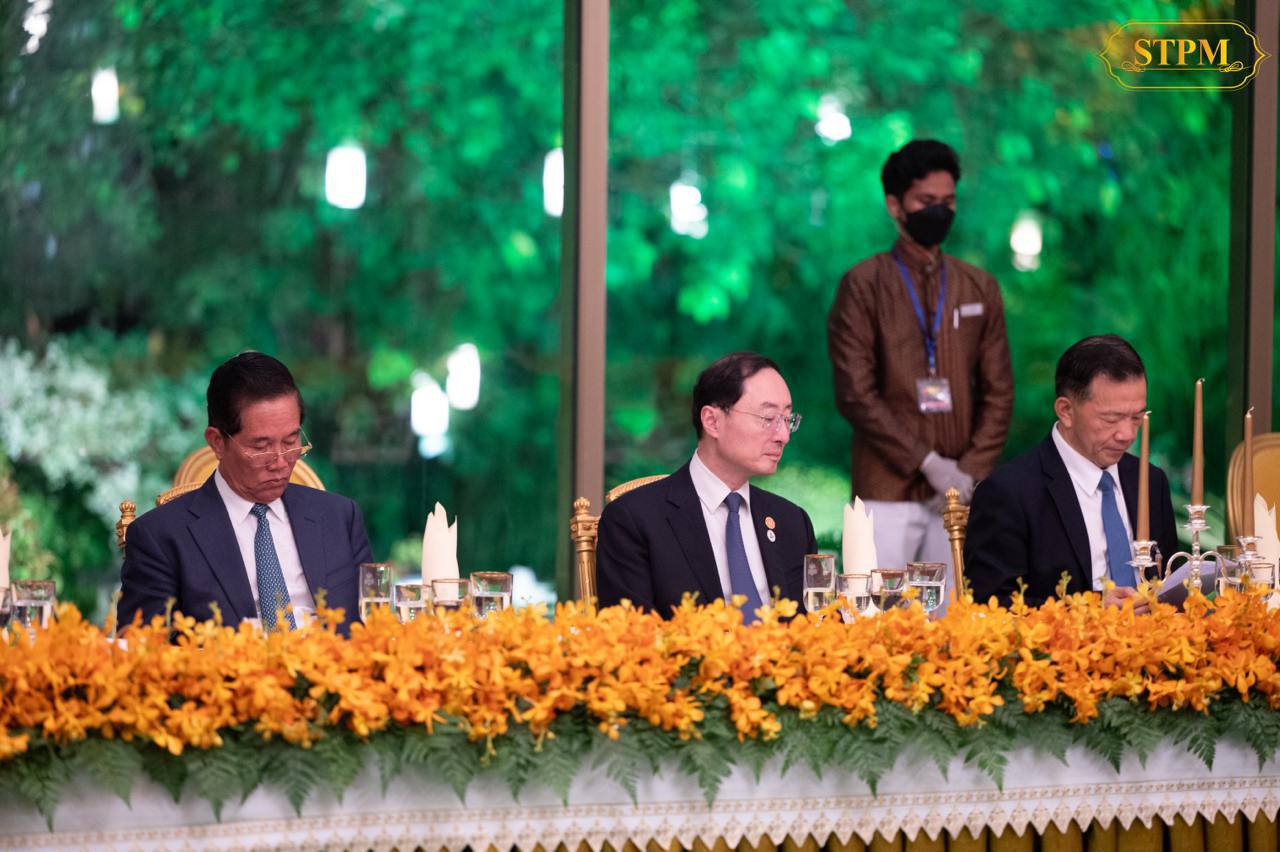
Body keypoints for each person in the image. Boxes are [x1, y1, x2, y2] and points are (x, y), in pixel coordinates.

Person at [827, 139, 1013, 576]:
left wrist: (967, 473)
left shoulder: (978, 286)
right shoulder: (863, 284)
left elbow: (1000, 392)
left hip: (961, 492)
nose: (940, 211)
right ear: (895, 205)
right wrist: (927, 463)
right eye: (926, 202)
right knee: (878, 610)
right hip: (885, 492)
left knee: (952, 614)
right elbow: (855, 394)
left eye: (948, 202)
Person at [118, 352, 372, 633]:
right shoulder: (160, 537)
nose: (280, 463)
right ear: (217, 442)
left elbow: (372, 626)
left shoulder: (339, 518)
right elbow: (141, 649)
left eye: (291, 441)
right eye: (261, 448)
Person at [596, 352, 817, 620]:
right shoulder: (634, 520)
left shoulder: (792, 523)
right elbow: (630, 636)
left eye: (788, 419)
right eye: (768, 418)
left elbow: (815, 626)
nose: (783, 436)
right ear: (712, 421)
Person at [965, 335, 1178, 608]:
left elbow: (1170, 583)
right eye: (1111, 419)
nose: (1127, 434)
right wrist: (1091, 611)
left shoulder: (1150, 481)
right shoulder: (1009, 493)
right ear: (1066, 411)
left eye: (1137, 417)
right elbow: (988, 605)